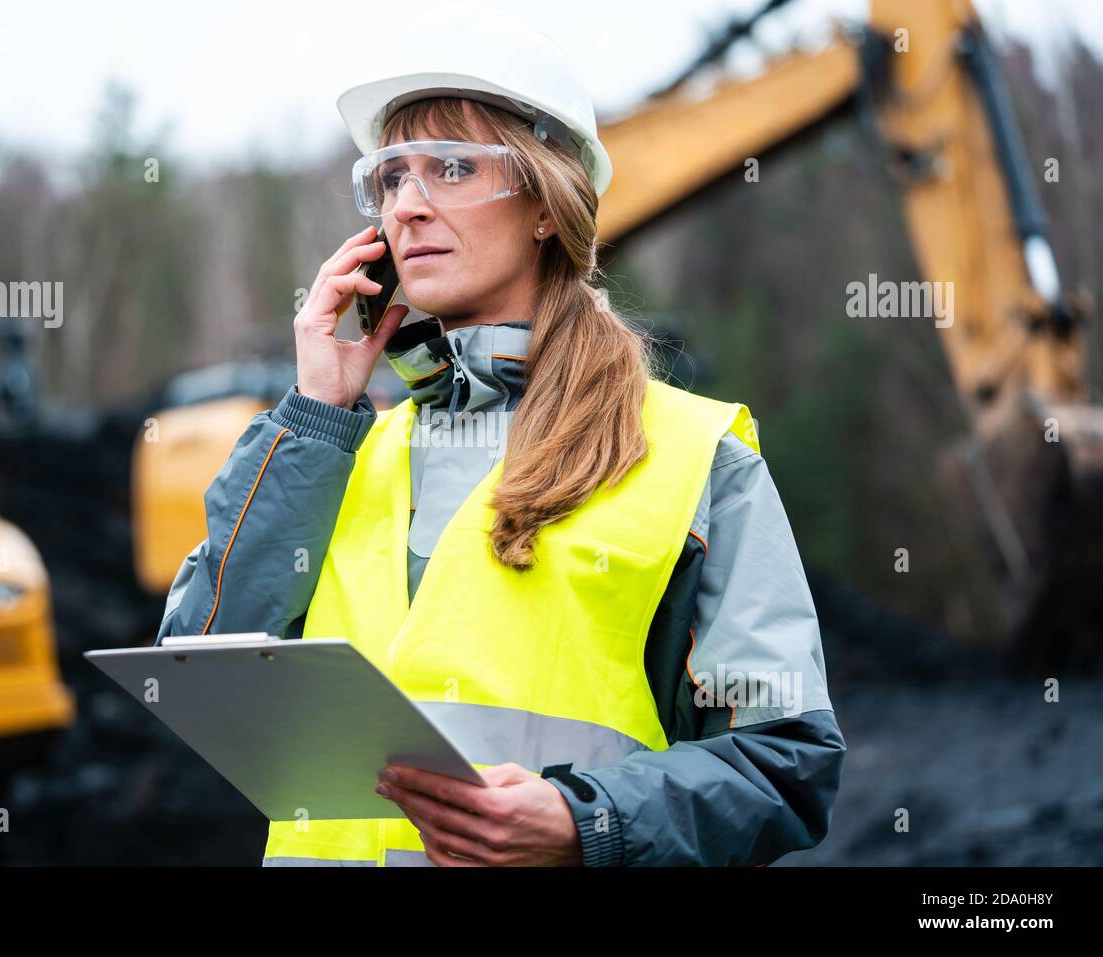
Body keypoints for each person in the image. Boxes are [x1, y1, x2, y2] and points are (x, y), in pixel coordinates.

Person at [157, 10, 845, 867]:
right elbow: (195, 660)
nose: (408, 206)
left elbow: (786, 762)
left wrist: (580, 820)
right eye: (390, 178)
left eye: (449, 167)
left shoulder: (693, 461)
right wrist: (316, 412)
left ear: (546, 206)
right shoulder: (336, 450)